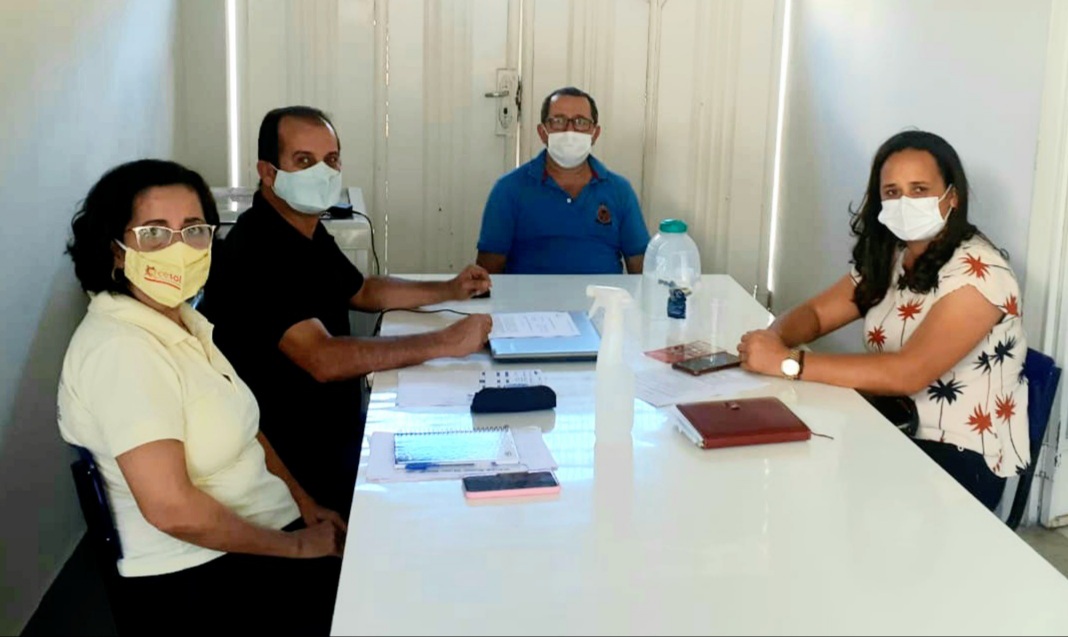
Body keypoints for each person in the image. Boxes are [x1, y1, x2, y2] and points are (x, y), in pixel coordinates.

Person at [58, 159, 345, 635]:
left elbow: (243, 428)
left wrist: (304, 503)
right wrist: (296, 546)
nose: (179, 248)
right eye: (154, 233)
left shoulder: (182, 321)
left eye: (193, 230)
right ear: (115, 251)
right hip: (200, 577)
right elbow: (172, 509)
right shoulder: (123, 350)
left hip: (262, 536)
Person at [200, 106, 493, 518]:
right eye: (304, 161)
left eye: (331, 160)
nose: (322, 173)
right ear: (267, 172)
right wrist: (444, 342)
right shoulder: (257, 250)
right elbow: (324, 359)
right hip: (293, 463)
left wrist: (449, 289)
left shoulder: (303, 226)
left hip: (335, 431)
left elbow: (362, 290)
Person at [737, 130, 1028, 511]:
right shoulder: (894, 255)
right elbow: (816, 315)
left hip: (958, 453)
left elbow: (908, 373)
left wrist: (788, 363)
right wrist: (774, 340)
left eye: (920, 189)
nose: (905, 202)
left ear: (952, 197)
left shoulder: (980, 274)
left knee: (808, 493)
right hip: (890, 426)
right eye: (893, 192)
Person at [476, 86, 650, 274]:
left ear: (595, 133)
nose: (569, 130)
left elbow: (641, 269)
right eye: (558, 121)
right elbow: (488, 273)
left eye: (580, 122)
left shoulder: (620, 191)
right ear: (542, 132)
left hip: (601, 294)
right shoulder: (509, 190)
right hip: (530, 294)